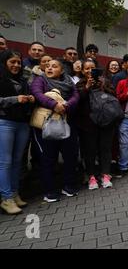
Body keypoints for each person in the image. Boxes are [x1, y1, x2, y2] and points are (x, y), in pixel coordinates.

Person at [31, 59, 80, 202]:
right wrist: (53, 104)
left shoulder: (69, 82)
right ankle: (49, 191)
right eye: (47, 66)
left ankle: (68, 186)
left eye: (54, 66)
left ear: (62, 70)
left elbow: (75, 96)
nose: (50, 68)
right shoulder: (40, 80)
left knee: (70, 156)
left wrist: (66, 105)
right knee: (48, 158)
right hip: (45, 125)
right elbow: (37, 94)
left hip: (66, 123)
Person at [0, 50, 34, 214]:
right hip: (4, 123)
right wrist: (15, 99)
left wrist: (30, 98)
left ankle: (14, 194)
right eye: (12, 62)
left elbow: (27, 97)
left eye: (18, 62)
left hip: (22, 123)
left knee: (16, 161)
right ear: (4, 62)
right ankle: (6, 199)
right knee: (5, 162)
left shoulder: (23, 80)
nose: (16, 65)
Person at [76, 61, 117, 190]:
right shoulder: (80, 84)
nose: (89, 71)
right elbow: (77, 100)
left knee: (105, 149)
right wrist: (87, 87)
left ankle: (105, 175)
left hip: (106, 122)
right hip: (87, 124)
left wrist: (102, 86)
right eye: (86, 69)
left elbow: (113, 95)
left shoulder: (105, 81)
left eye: (92, 68)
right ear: (82, 71)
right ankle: (92, 176)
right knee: (90, 151)